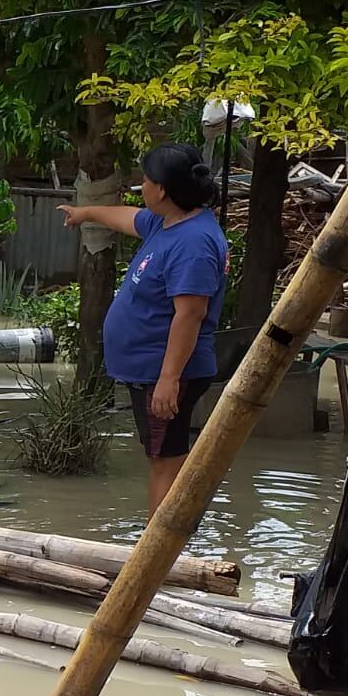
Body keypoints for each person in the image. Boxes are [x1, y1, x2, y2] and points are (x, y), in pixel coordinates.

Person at [58, 143, 229, 517]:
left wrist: (169, 379)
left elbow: (190, 314)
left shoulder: (194, 242)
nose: (142, 187)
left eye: (146, 180)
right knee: (161, 457)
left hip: (165, 372)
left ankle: (158, 548)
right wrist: (85, 213)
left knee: (166, 463)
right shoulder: (166, 223)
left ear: (162, 190)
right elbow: (126, 217)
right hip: (151, 370)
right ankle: (159, 543)